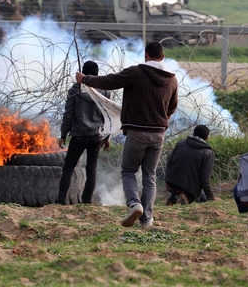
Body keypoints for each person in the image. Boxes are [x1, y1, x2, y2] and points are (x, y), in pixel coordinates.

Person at [76, 41, 178, 228]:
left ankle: (134, 204)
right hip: (158, 135)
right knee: (149, 176)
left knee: (129, 171)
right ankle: (147, 219)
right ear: (162, 57)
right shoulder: (172, 80)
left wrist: (85, 79)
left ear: (146, 55)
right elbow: (171, 108)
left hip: (137, 132)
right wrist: (160, 120)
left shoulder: (136, 72)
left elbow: (108, 82)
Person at [57, 61, 111, 205]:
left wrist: (63, 135)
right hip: (97, 136)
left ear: (82, 73)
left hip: (79, 136)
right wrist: (106, 137)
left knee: (68, 168)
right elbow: (108, 116)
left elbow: (68, 114)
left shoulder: (75, 90)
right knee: (91, 169)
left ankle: (61, 200)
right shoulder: (105, 92)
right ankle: (86, 201)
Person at [165, 125, 219, 205]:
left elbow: (169, 161)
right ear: (207, 138)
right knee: (203, 200)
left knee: (182, 180)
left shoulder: (181, 143)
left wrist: (168, 177)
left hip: (170, 183)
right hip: (187, 187)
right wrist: (211, 197)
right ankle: (187, 197)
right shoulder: (208, 153)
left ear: (193, 134)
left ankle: (173, 197)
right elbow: (205, 179)